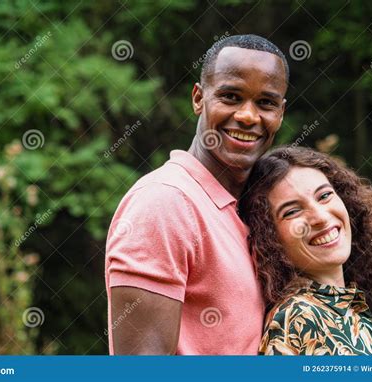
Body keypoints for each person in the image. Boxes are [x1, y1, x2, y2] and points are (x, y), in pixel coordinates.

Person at [105, 34, 289, 354]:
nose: (248, 116)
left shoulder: (251, 211)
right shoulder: (165, 203)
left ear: (281, 113)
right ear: (198, 98)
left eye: (266, 103)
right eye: (231, 96)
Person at [240, 146, 372, 355]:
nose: (321, 217)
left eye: (324, 195)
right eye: (292, 211)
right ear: (268, 237)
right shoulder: (299, 317)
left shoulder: (352, 309)